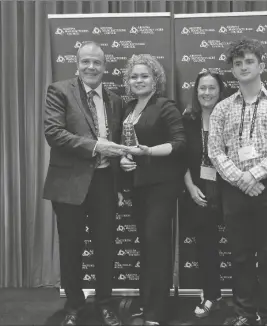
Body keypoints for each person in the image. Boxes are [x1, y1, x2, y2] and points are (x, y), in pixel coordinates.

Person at [208, 37, 267, 326]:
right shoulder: (222, 109)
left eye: (249, 61)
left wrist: (255, 175)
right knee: (240, 256)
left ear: (261, 65)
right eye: (237, 63)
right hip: (234, 190)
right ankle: (245, 313)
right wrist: (241, 179)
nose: (243, 67)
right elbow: (215, 151)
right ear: (232, 71)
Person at [43, 42, 127, 326]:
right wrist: (97, 146)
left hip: (105, 183)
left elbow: (118, 146)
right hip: (69, 184)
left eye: (97, 63)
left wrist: (117, 185)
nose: (91, 67)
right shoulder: (59, 91)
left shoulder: (115, 100)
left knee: (106, 248)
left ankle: (106, 303)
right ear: (76, 64)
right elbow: (54, 133)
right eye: (86, 62)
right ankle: (74, 306)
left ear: (105, 67)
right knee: (71, 248)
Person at [119, 54, 186, 325]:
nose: (139, 80)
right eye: (134, 76)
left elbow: (179, 143)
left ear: (155, 79)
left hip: (162, 187)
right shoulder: (128, 109)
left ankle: (156, 312)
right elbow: (125, 145)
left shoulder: (165, 106)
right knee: (146, 248)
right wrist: (124, 158)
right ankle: (146, 304)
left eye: (144, 76)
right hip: (138, 188)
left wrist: (148, 152)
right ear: (128, 81)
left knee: (157, 248)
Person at [182, 70, 226, 318]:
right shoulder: (187, 120)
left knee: (241, 247)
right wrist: (190, 187)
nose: (206, 93)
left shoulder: (230, 117)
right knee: (207, 246)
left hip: (229, 190)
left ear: (220, 92)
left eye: (211, 88)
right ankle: (210, 294)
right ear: (196, 91)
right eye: (202, 88)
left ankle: (247, 303)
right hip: (198, 190)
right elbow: (180, 159)